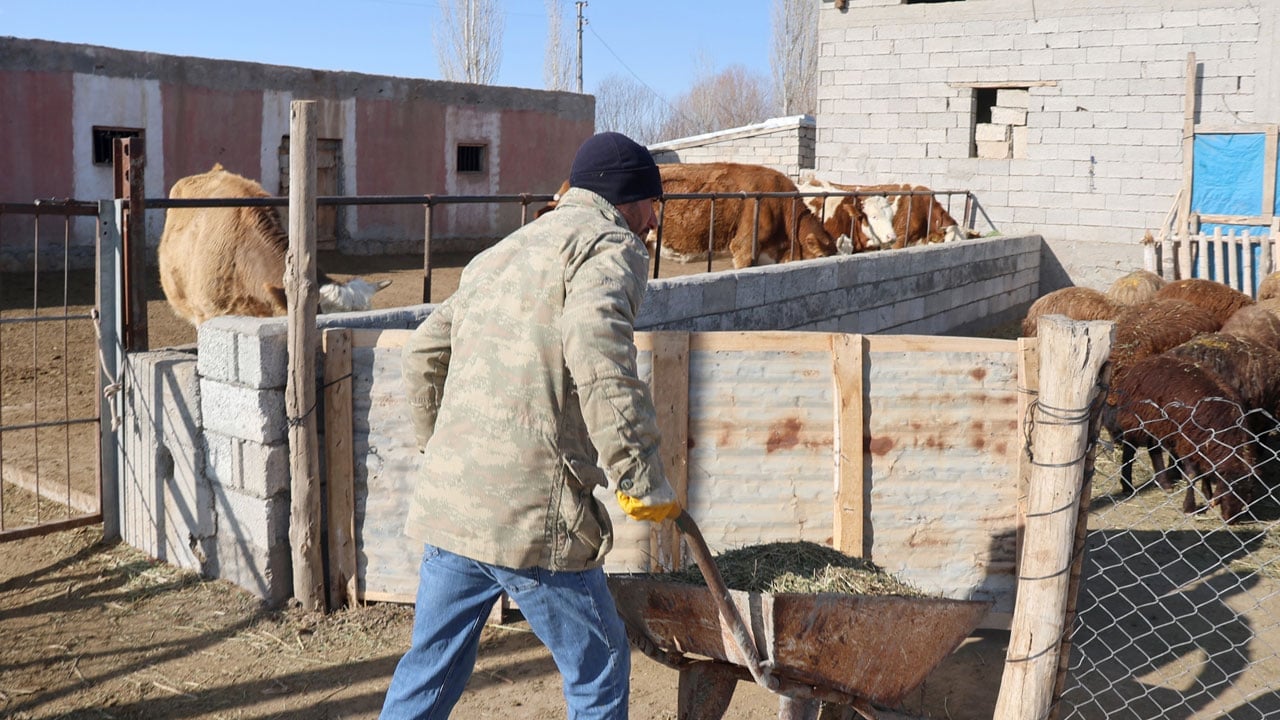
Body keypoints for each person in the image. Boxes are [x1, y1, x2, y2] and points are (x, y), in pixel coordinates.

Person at [379, 132, 682, 720]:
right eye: (652, 202)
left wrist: (441, 451)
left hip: (455, 504)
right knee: (599, 668)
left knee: (430, 669)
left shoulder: (502, 251)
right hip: (529, 517)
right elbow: (597, 350)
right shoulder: (609, 246)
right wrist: (639, 475)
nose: (652, 219)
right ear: (629, 199)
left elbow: (421, 356)